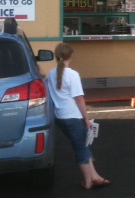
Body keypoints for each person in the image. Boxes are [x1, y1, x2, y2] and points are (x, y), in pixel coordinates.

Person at [45, 42, 110, 189]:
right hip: (73, 116)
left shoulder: (51, 73)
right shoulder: (73, 75)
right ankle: (88, 181)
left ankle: (95, 176)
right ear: (71, 55)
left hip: (60, 117)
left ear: (56, 56)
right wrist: (86, 119)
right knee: (81, 147)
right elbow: (79, 98)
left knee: (82, 145)